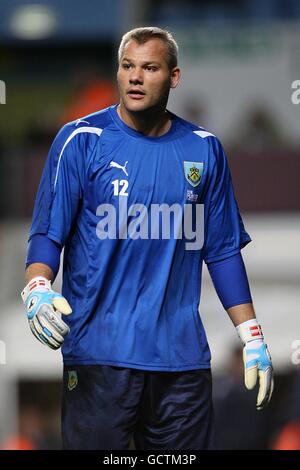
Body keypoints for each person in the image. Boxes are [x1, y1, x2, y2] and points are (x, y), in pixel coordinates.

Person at [21, 27, 274, 450]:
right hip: (100, 357)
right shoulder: (80, 140)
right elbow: (48, 232)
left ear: (174, 77)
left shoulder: (205, 149)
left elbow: (224, 250)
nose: (135, 77)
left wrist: (251, 335)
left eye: (150, 67)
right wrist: (37, 285)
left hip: (182, 362)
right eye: (127, 66)